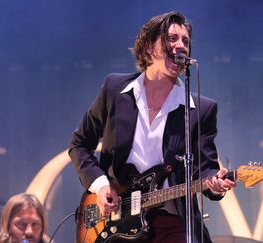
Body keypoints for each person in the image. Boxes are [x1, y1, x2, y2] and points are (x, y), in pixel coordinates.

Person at [69, 11, 236, 243]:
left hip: (171, 220)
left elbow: (204, 169)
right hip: (117, 220)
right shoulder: (115, 90)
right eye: (172, 38)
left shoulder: (201, 109)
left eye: (186, 41)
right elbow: (79, 145)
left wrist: (216, 184)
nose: (181, 46)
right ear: (149, 47)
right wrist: (101, 186)